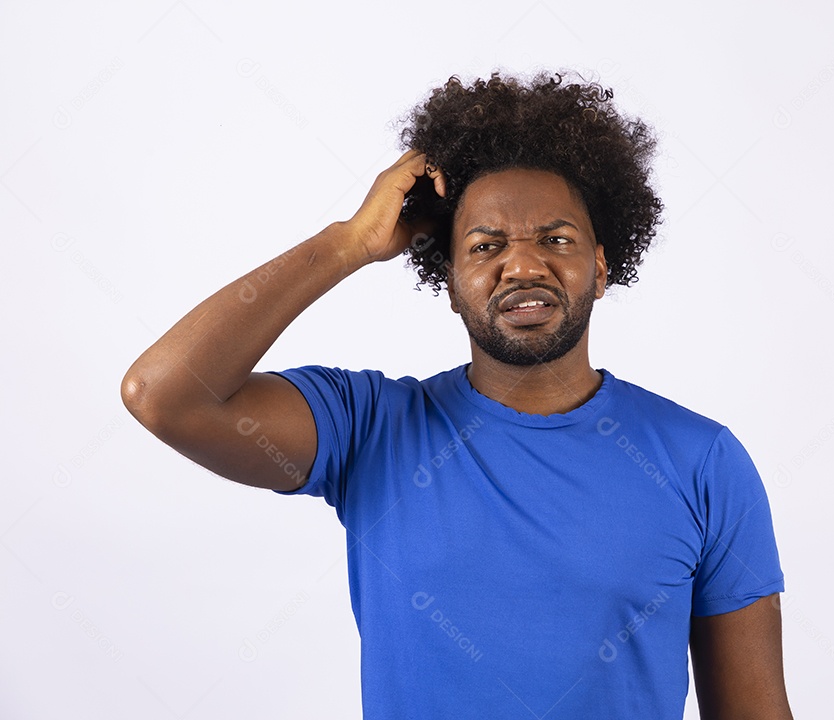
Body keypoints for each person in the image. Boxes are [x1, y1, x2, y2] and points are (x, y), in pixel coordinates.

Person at [121, 70, 794, 719]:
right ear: (448, 279)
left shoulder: (703, 461)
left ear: (600, 264)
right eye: (485, 244)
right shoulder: (369, 430)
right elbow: (163, 394)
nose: (523, 264)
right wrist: (348, 243)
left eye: (555, 239)